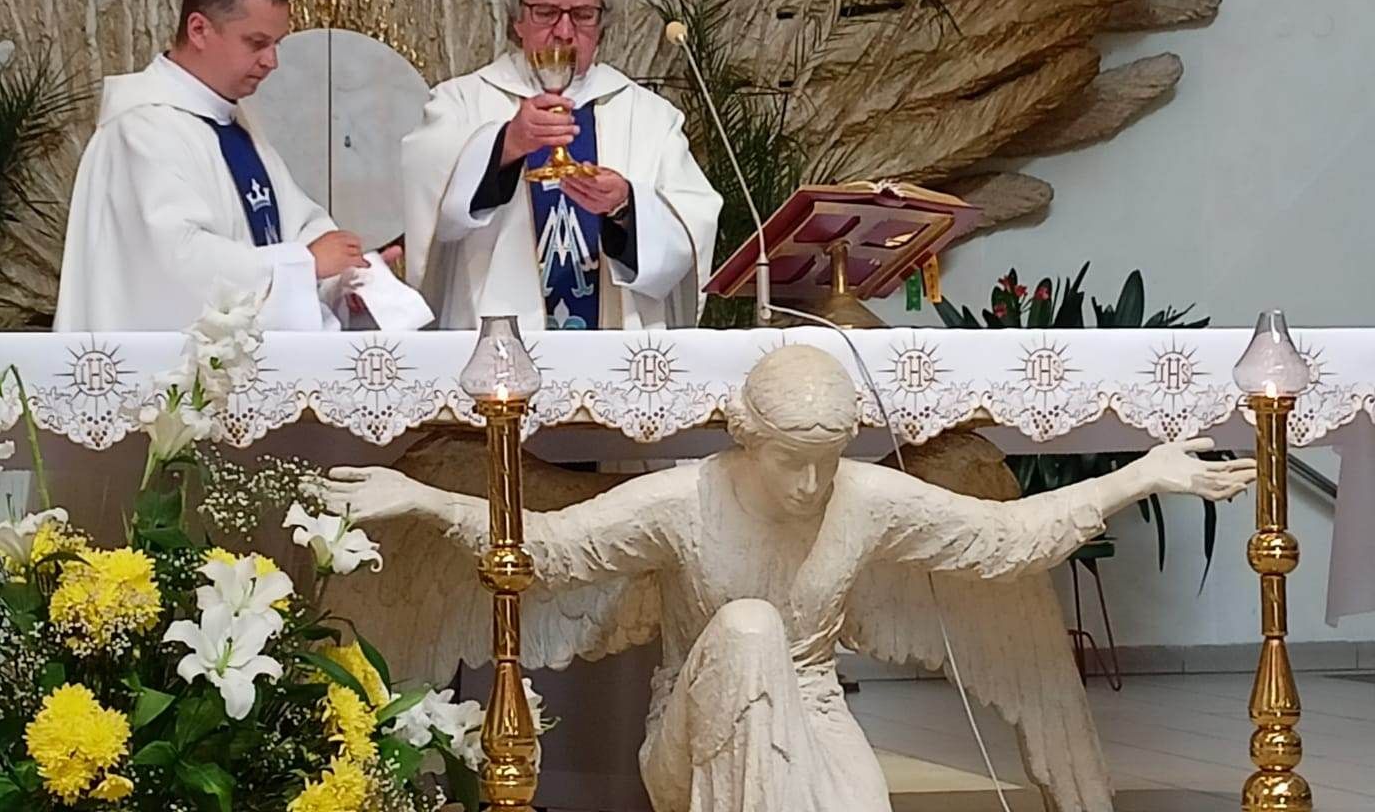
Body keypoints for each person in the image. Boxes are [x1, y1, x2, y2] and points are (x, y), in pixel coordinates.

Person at [326, 346, 1257, 812]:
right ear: (748, 439)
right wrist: (424, 498)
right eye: (789, 462)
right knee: (747, 628)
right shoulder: (684, 501)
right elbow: (549, 552)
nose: (811, 487)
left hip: (813, 714)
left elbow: (1005, 541)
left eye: (826, 461)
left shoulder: (864, 497)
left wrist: (1140, 475)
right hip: (693, 735)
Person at [401, 0, 722, 330]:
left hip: (613, 349)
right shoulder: (461, 102)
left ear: (601, 26)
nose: (565, 31)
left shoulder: (649, 116)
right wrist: (505, 146)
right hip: (494, 344)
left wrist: (626, 208)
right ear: (517, 20)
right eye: (546, 13)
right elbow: (428, 204)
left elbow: (691, 227)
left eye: (583, 15)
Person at [54, 0, 388, 332]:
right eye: (257, 43)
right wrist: (303, 264)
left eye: (276, 44)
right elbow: (177, 263)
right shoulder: (143, 129)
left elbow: (296, 228)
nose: (272, 61)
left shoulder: (232, 121)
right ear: (199, 30)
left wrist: (346, 276)